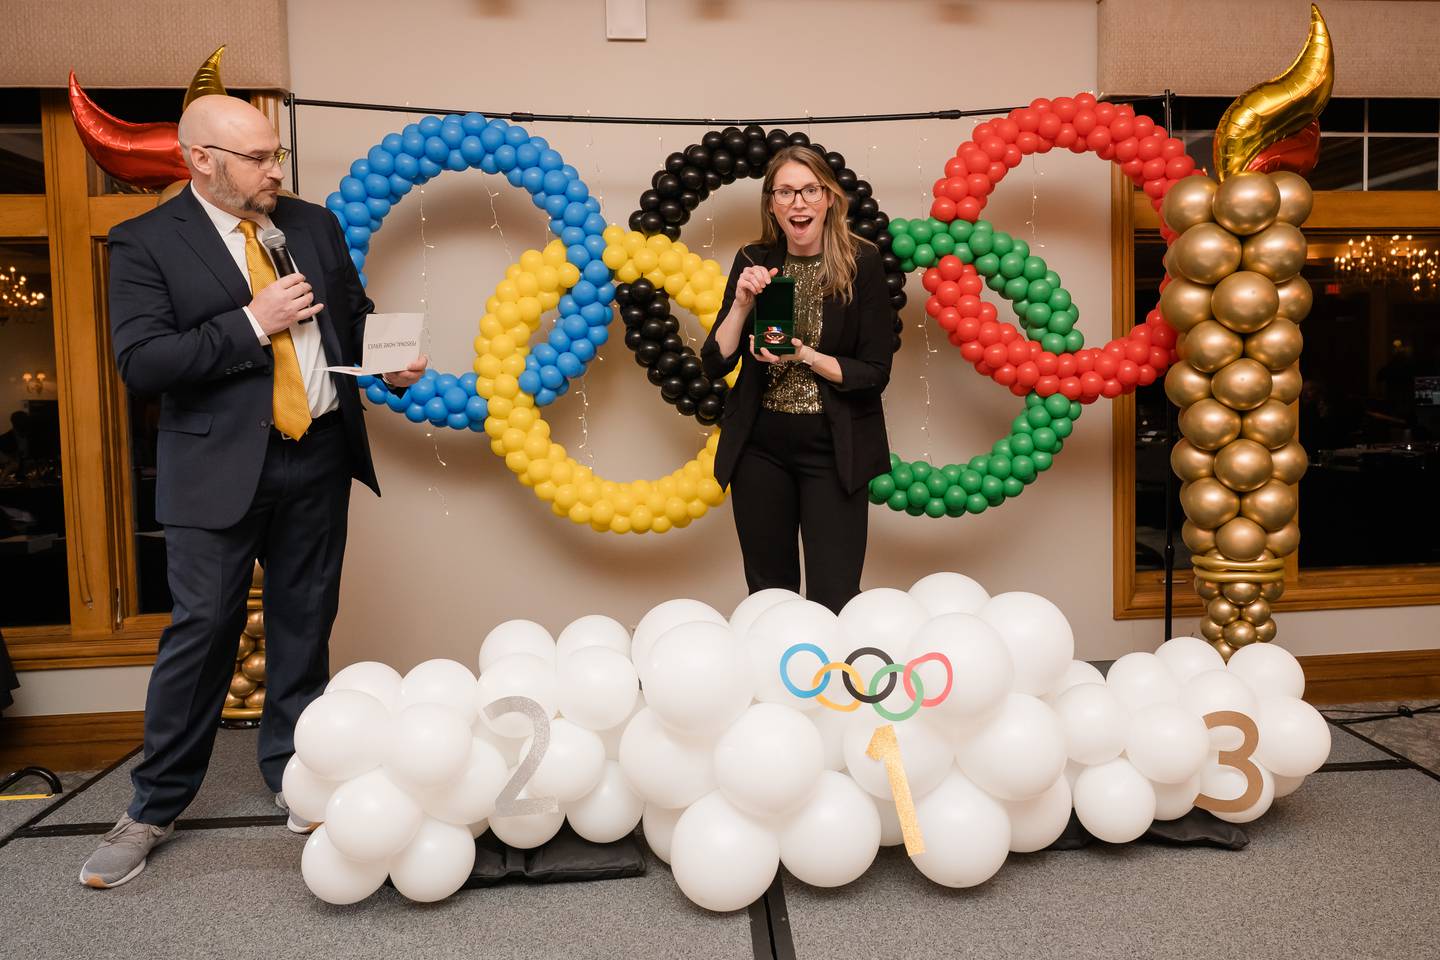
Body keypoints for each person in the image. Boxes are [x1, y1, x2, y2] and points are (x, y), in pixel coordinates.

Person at [80, 96, 426, 889]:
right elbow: (143, 362)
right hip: (216, 471)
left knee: (305, 626)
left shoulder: (311, 224)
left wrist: (390, 362)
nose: (277, 170)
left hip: (319, 454)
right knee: (203, 635)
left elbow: (351, 317)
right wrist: (250, 321)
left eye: (276, 155)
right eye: (260, 158)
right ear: (202, 160)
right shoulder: (144, 242)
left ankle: (295, 778)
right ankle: (152, 808)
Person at [701, 146, 895, 614]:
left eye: (810, 190)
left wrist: (805, 355)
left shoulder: (863, 262)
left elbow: (874, 373)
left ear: (829, 198)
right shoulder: (754, 259)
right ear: (771, 203)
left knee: (835, 597)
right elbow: (715, 362)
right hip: (760, 448)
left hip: (833, 447)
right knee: (771, 598)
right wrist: (741, 305)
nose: (798, 203)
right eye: (785, 192)